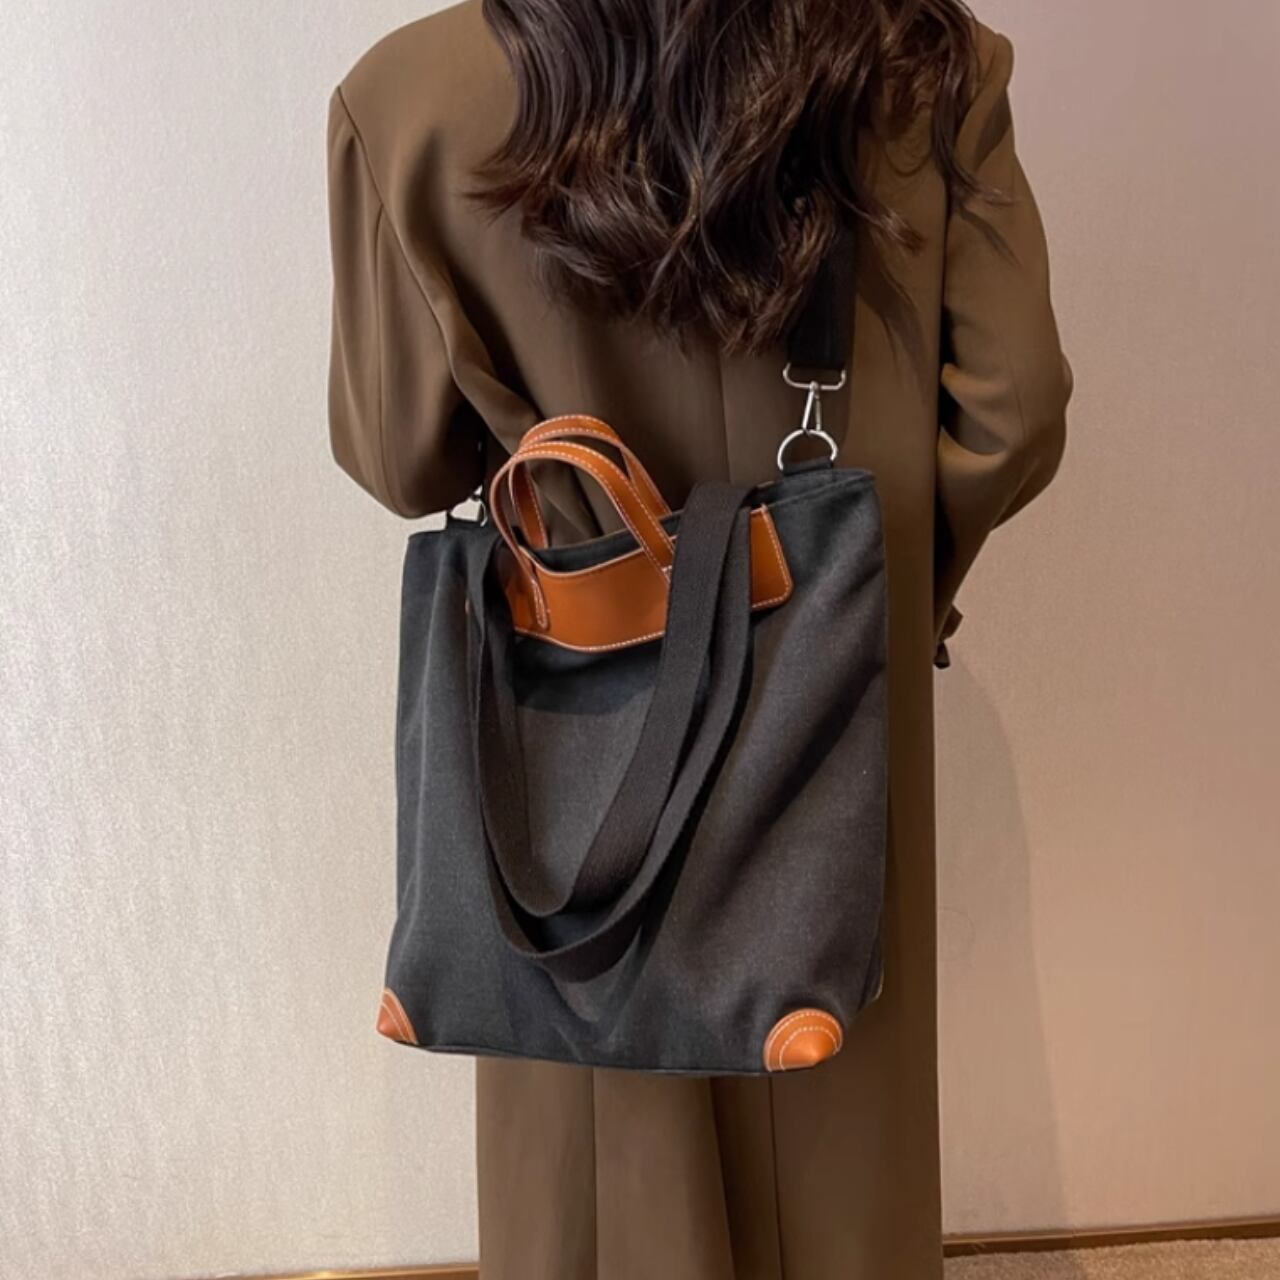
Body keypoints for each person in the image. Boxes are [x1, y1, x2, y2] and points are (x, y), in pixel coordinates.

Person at [325, 0, 1071, 1274]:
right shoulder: (919, 62)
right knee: (833, 1105)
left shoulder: (406, 97)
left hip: (570, 736)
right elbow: (1012, 410)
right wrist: (863, 603)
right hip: (827, 715)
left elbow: (400, 455)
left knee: (593, 1147)